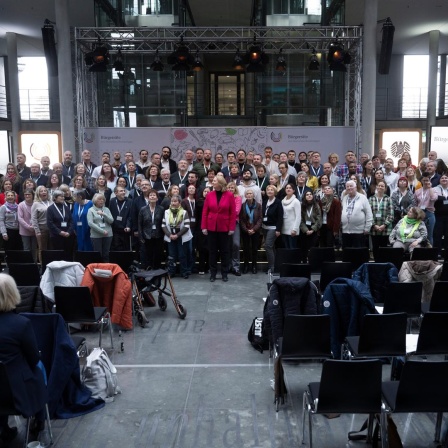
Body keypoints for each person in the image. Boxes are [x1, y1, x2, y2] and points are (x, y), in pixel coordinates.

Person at [0, 273, 47, 446]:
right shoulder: (21, 324)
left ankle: (3, 427)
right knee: (39, 367)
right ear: (13, 294)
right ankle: (40, 418)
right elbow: (34, 358)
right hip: (17, 394)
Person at [201, 176, 236, 282]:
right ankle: (213, 273)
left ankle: (224, 273)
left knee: (225, 251)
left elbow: (232, 213)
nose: (213, 182)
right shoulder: (210, 195)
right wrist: (204, 226)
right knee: (212, 252)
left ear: (220, 183)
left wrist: (231, 228)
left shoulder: (229, 195)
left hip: (224, 227)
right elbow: (205, 212)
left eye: (215, 181)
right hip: (211, 227)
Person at [162, 194, 192, 279]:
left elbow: (186, 226)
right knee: (172, 256)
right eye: (172, 201)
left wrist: (177, 235)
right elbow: (163, 225)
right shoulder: (166, 212)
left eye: (175, 201)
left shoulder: (184, 212)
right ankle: (171, 272)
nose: (173, 203)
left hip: (181, 237)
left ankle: (184, 272)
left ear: (179, 202)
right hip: (170, 237)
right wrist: (169, 235)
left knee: (182, 255)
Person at [341, 180, 373, 248]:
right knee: (347, 253)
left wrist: (367, 228)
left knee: (358, 254)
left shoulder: (363, 198)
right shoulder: (344, 198)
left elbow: (369, 213)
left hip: (359, 231)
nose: (349, 188)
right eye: (347, 186)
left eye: (351, 186)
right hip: (346, 231)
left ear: (355, 187)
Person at [138, 189, 165, 270]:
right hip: (147, 235)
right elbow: (140, 224)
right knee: (148, 254)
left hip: (158, 235)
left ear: (157, 198)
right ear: (148, 198)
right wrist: (141, 236)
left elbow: (163, 223)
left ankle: (157, 270)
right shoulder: (143, 209)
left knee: (157, 254)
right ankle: (149, 270)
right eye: (150, 195)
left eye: (154, 195)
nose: (152, 196)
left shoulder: (161, 209)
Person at [368, 180, 394, 261]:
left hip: (385, 229)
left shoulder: (388, 199)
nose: (380, 187)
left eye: (382, 186)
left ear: (385, 188)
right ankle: (376, 263)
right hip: (374, 229)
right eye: (379, 185)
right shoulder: (371, 199)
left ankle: (383, 264)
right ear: (376, 187)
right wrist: (374, 225)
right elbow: (369, 214)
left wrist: (384, 225)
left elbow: (391, 214)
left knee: (383, 248)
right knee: (375, 248)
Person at [46, 189, 75, 258]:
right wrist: (60, 232)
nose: (63, 198)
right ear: (55, 198)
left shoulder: (66, 208)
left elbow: (71, 221)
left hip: (68, 236)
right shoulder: (50, 209)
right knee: (58, 255)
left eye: (63, 196)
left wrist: (69, 232)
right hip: (56, 236)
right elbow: (50, 223)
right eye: (61, 196)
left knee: (68, 255)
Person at [239, 189, 262, 274]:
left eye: (250, 193)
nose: (249, 195)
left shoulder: (258, 205)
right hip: (245, 230)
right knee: (246, 249)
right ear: (245, 196)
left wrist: (254, 229)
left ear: (253, 195)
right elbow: (241, 219)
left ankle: (254, 266)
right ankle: (246, 266)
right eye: (247, 194)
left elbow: (260, 219)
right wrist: (246, 229)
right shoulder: (242, 206)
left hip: (255, 230)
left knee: (254, 249)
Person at [261, 185, 283, 272]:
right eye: (268, 190)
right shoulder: (265, 201)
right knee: (271, 247)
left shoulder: (278, 202)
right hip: (264, 227)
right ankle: (275, 266)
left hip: (273, 228)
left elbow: (280, 217)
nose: (269, 191)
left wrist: (278, 229)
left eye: (271, 190)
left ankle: (271, 267)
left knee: (267, 246)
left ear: (275, 192)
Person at [87, 193, 114, 262]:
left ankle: (106, 268)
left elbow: (111, 221)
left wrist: (104, 214)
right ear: (95, 201)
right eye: (99, 199)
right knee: (98, 254)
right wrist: (102, 231)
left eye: (103, 199)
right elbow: (90, 223)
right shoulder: (91, 210)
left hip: (108, 234)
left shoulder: (106, 209)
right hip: (96, 235)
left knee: (106, 254)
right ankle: (98, 269)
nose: (101, 201)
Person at [299, 191, 322, 263]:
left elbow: (319, 219)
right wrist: (306, 230)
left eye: (310, 194)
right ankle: (304, 262)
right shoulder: (302, 206)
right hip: (304, 228)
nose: (309, 196)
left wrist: (313, 229)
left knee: (313, 247)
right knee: (303, 247)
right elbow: (300, 219)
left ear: (313, 196)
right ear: (305, 197)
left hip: (313, 227)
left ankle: (313, 263)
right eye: (307, 194)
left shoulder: (316, 205)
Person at [31, 186, 52, 263]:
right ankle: (43, 266)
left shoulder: (51, 202)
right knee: (42, 248)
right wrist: (37, 231)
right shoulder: (36, 204)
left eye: (45, 191)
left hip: (52, 229)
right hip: (42, 229)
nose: (43, 192)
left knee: (51, 248)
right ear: (38, 193)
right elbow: (34, 219)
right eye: (41, 191)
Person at [414, 175, 438, 245]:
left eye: (427, 180)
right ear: (421, 181)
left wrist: (430, 187)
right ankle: (419, 251)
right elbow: (415, 203)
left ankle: (429, 253)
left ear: (430, 181)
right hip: (419, 213)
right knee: (418, 234)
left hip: (429, 213)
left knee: (429, 235)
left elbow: (433, 199)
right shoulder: (417, 191)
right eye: (424, 180)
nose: (425, 182)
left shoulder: (433, 190)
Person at [109, 186, 133, 251]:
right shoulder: (112, 201)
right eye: (121, 191)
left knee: (126, 249)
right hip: (115, 230)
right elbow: (110, 214)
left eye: (124, 191)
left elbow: (130, 216)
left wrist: (128, 226)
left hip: (125, 230)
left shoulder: (130, 201)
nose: (123, 192)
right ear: (116, 193)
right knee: (116, 248)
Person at [226, 181, 242, 276]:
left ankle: (236, 267)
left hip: (234, 223)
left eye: (232, 188)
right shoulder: (225, 197)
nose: (231, 189)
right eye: (229, 187)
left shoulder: (238, 198)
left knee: (236, 244)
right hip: (225, 224)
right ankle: (228, 266)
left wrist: (227, 213)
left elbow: (236, 211)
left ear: (235, 189)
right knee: (227, 245)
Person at [18, 188, 38, 261]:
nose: (27, 196)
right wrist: (28, 227)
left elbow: (38, 216)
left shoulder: (36, 204)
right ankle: (27, 265)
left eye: (29, 194)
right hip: (24, 231)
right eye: (25, 194)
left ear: (32, 195)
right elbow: (20, 218)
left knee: (34, 249)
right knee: (26, 249)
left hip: (35, 230)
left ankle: (34, 265)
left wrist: (34, 226)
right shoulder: (21, 205)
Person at [281, 183, 301, 249]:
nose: (288, 189)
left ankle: (294, 260)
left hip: (292, 230)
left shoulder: (296, 201)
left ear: (293, 190)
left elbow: (298, 217)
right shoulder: (282, 201)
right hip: (284, 229)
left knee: (292, 249)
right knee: (286, 249)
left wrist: (295, 229)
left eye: (290, 188)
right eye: (287, 188)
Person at [433, 174, 448, 257]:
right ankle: (437, 252)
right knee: (437, 234)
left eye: (446, 178)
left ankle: (446, 252)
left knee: (447, 234)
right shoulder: (435, 189)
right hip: (438, 216)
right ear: (439, 180)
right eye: (442, 178)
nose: (444, 179)